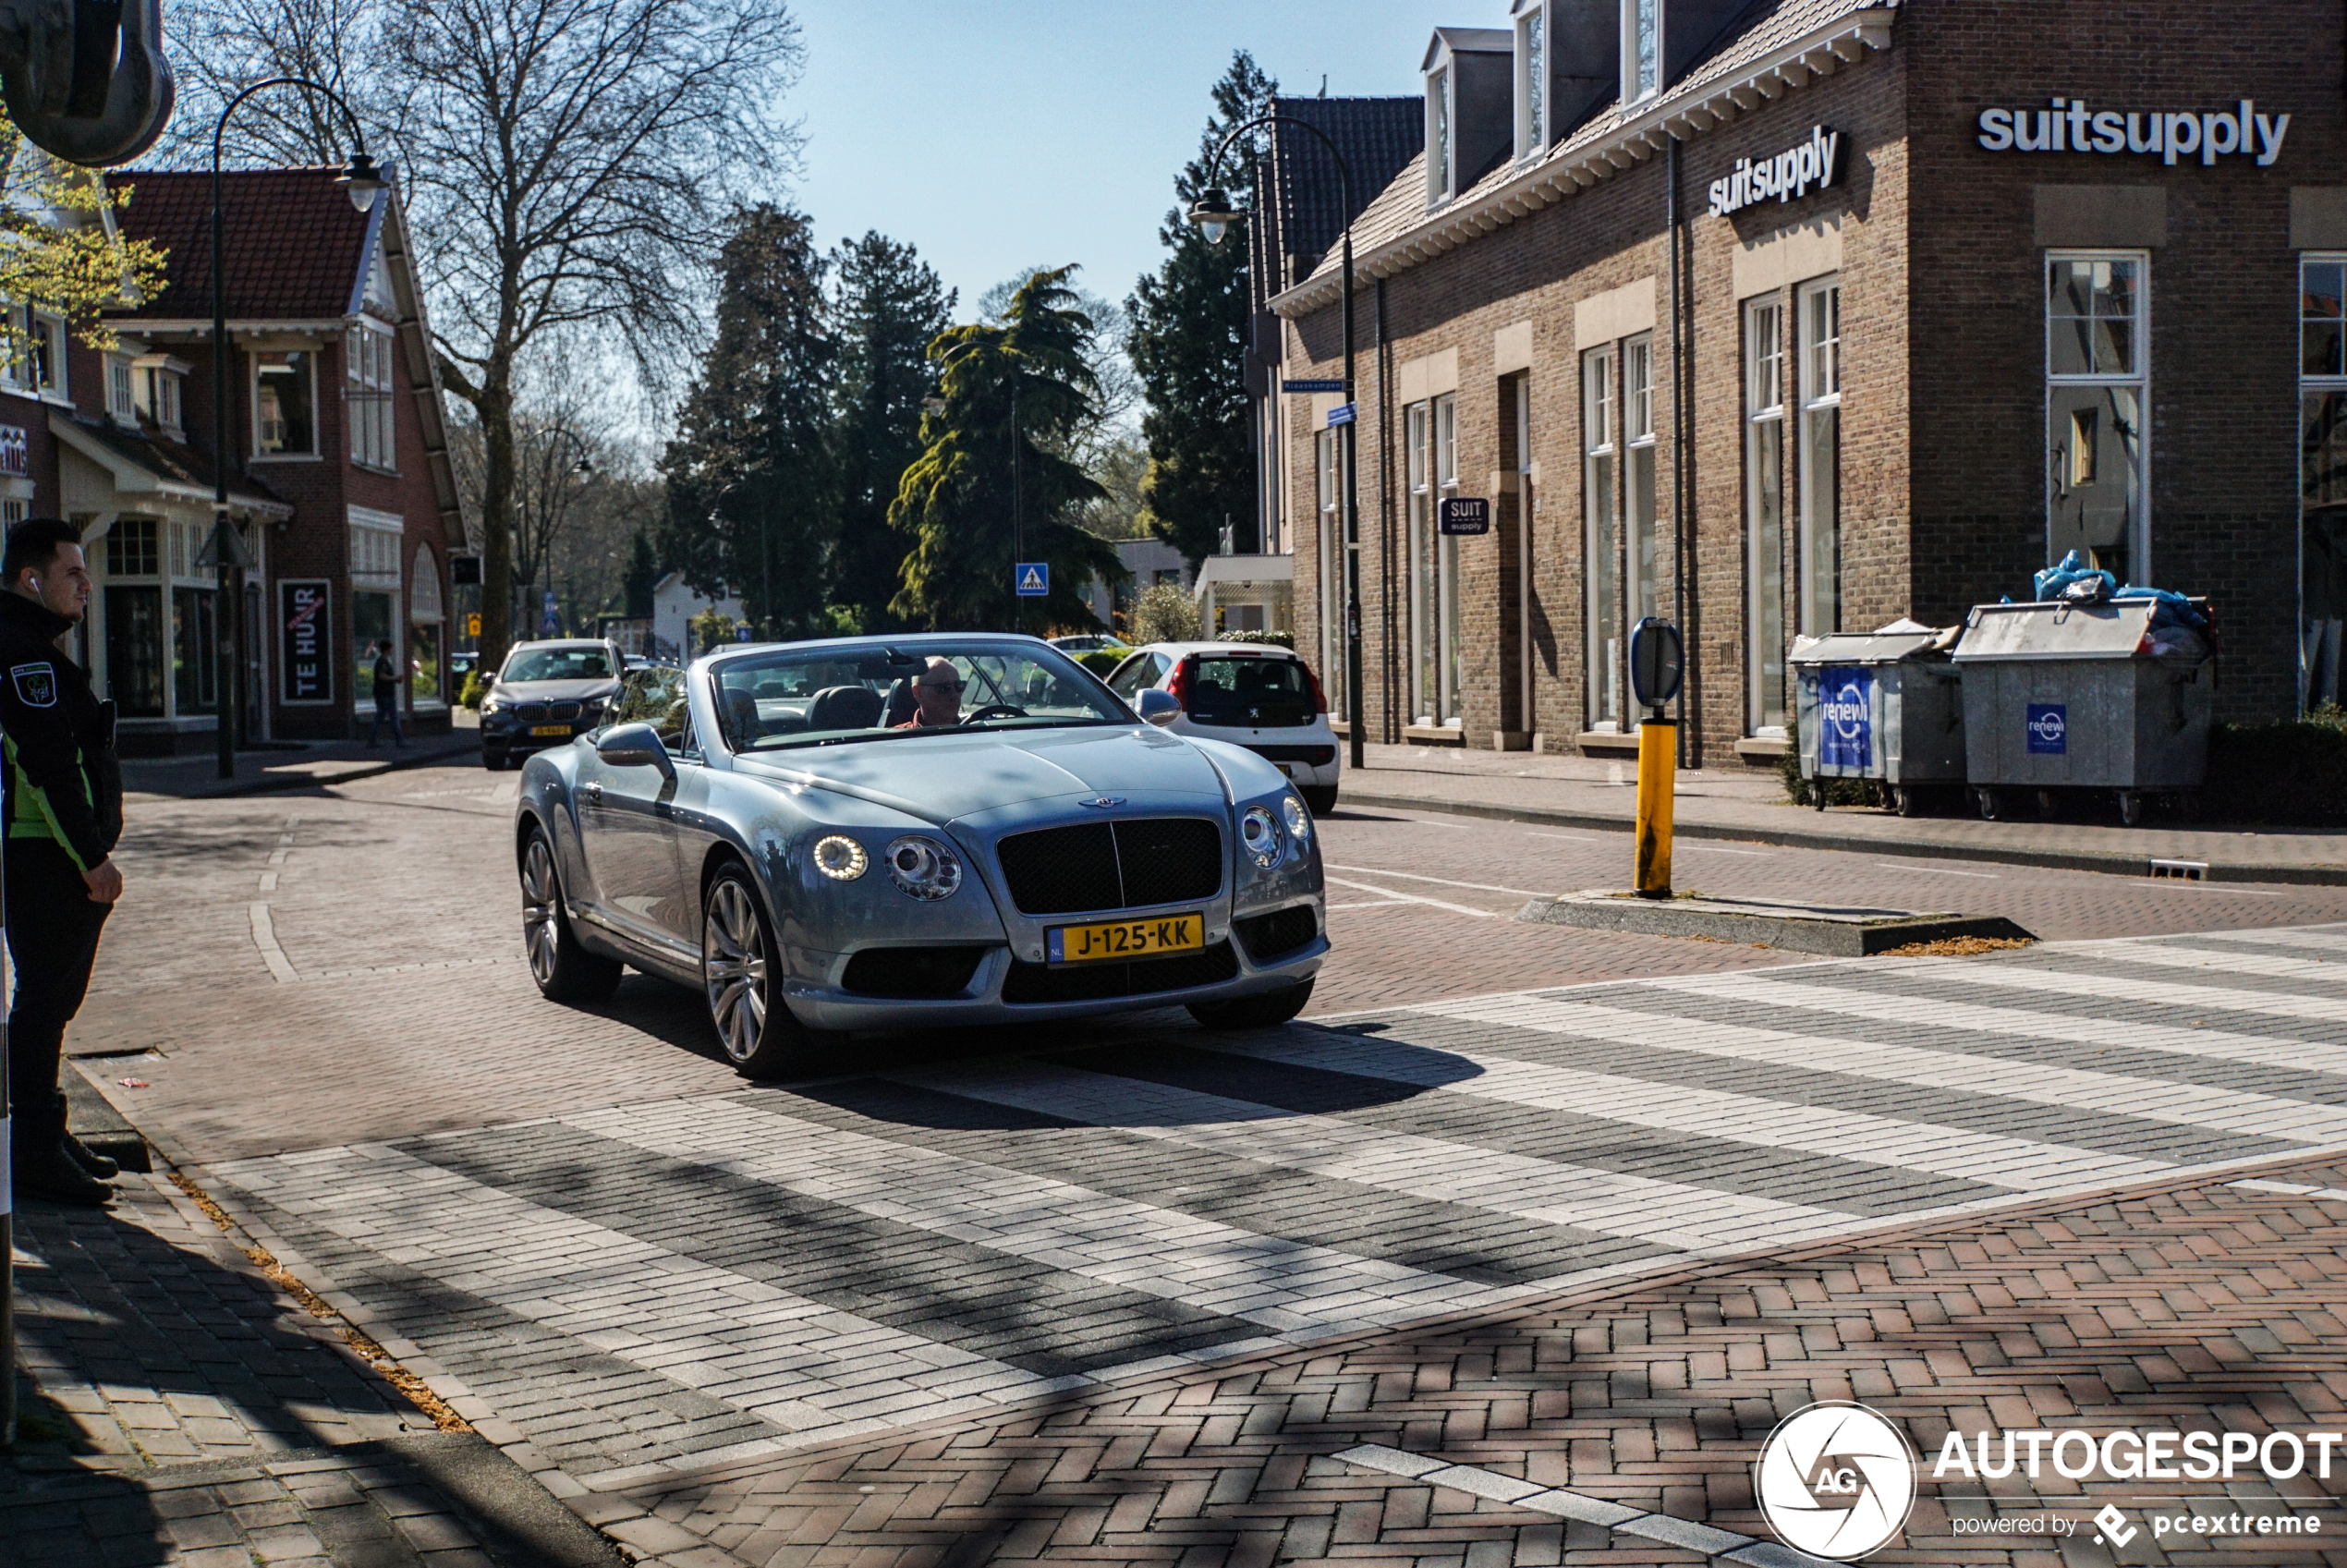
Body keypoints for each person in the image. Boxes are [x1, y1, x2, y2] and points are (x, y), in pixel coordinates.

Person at [0, 517, 125, 1206]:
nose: (85, 585)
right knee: (44, 1002)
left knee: (52, 1003)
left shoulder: (32, 647)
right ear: (32, 579)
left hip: (50, 856)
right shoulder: (25, 659)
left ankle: (44, 1130)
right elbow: (47, 765)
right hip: (45, 858)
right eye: (72, 574)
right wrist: (91, 858)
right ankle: (34, 1150)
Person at [894, 657, 965, 729]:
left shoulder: (973, 730)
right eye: (944, 688)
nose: (954, 695)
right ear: (918, 693)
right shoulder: (897, 736)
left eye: (958, 685)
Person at [365, 639, 403, 748]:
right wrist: (395, 678)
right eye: (391, 648)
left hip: (381, 694)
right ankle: (400, 740)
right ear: (387, 649)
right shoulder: (382, 661)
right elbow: (382, 676)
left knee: (379, 717)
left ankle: (372, 740)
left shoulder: (383, 660)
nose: (392, 650)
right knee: (394, 717)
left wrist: (395, 679)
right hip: (385, 694)